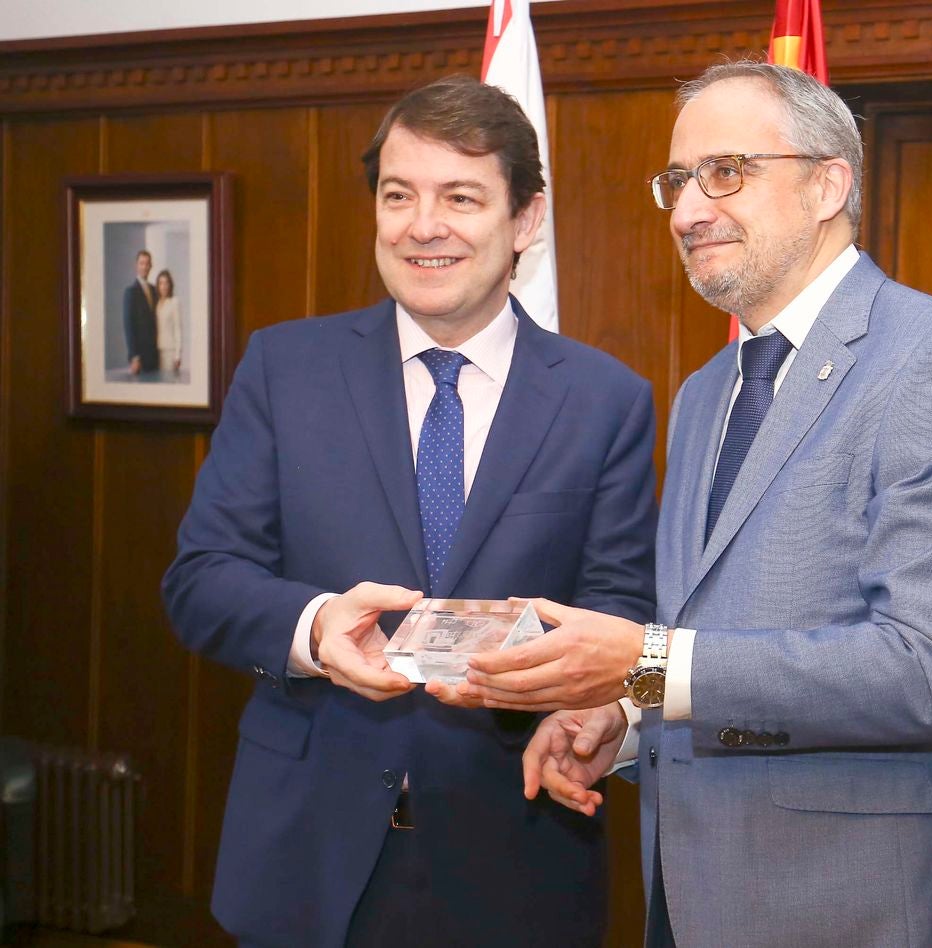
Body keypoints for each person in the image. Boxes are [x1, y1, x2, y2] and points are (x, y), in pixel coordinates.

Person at [450, 62, 932, 946]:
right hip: (686, 898)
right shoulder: (707, 389)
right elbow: (705, 632)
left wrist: (642, 661)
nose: (686, 211)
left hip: (848, 910)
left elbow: (925, 674)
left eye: (726, 173)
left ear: (829, 182)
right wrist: (622, 713)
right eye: (677, 182)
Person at [162, 76, 657, 948]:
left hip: (520, 854)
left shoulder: (605, 400)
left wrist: (597, 715)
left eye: (460, 197)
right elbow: (200, 581)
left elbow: (622, 610)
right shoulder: (285, 369)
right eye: (399, 196)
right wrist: (316, 630)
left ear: (525, 220)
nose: (423, 225)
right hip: (302, 859)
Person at [123, 249, 159, 374]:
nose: (144, 267)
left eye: (147, 263)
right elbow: (129, 326)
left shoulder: (155, 290)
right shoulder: (130, 292)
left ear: (151, 266)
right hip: (140, 357)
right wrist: (134, 356)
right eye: (141, 263)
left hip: (155, 355)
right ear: (136, 266)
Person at [154, 269, 182, 375]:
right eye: (161, 283)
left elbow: (177, 328)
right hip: (156, 351)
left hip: (169, 351)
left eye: (166, 283)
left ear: (170, 285)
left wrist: (177, 355)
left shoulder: (174, 302)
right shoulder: (156, 304)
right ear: (158, 285)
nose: (164, 286)